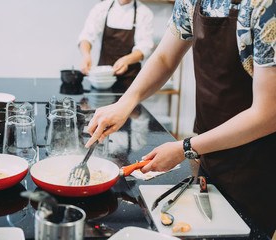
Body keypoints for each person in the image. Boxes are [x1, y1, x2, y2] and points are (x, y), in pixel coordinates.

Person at [85, 0, 276, 236]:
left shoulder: (265, 6)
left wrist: (186, 147)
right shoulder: (192, 1)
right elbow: (164, 58)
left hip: (256, 160)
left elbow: (268, 114)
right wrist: (125, 103)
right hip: (210, 149)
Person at [78, 0, 154, 91]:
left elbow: (145, 47)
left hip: (130, 80)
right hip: (103, 79)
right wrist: (86, 55)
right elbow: (86, 36)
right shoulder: (101, 8)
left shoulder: (144, 13)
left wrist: (127, 60)